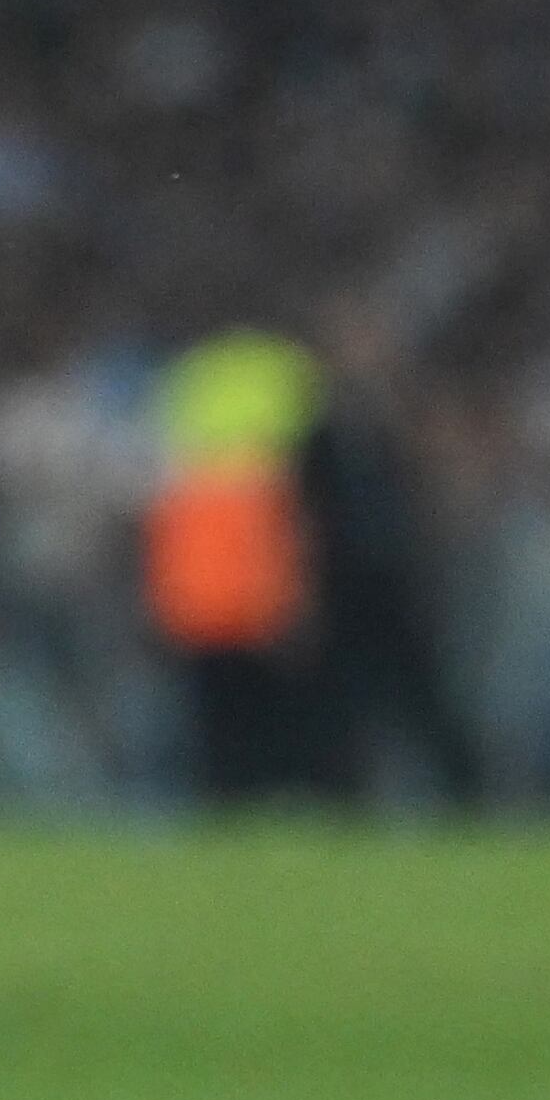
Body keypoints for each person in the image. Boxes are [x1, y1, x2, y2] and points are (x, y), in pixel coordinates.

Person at [290, 308, 482, 805]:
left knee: (422, 699)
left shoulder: (396, 426)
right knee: (337, 709)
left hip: (395, 586)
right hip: (341, 587)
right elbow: (303, 520)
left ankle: (468, 796)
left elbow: (428, 496)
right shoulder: (317, 437)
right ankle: (339, 802)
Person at [146, 329, 321, 803]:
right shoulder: (264, 479)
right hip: (248, 616)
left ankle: (232, 802)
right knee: (260, 724)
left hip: (202, 615)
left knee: (220, 729)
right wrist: (292, 609)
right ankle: (262, 801)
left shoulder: (183, 471)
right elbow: (280, 550)